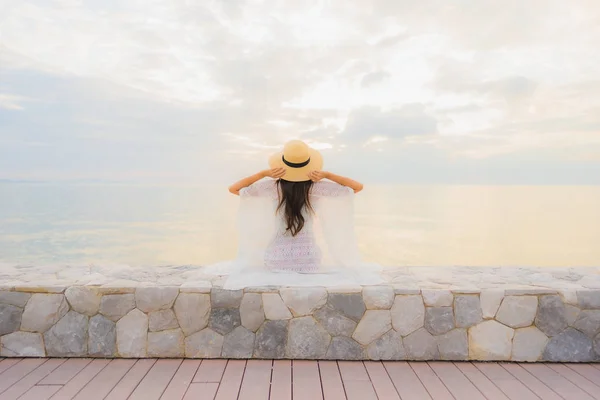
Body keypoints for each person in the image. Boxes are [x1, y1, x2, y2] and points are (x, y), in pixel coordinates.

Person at [205, 140, 382, 288]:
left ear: (282, 164)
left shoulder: (272, 187)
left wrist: (263, 174)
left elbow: (234, 189)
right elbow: (357, 187)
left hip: (276, 259)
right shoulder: (317, 188)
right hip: (309, 259)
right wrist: (327, 175)